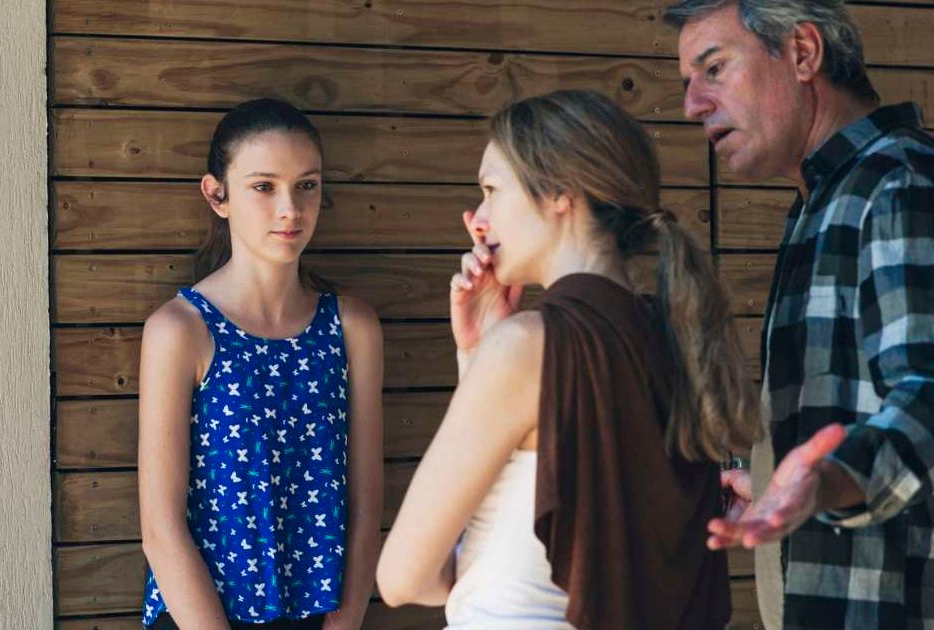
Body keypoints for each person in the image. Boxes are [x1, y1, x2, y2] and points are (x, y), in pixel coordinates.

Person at [375, 89, 762, 630]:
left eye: (490, 190)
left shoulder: (528, 348)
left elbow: (401, 579)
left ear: (560, 192)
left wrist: (490, 355)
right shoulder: (679, 340)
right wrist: (476, 356)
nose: (479, 219)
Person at [667, 1, 934, 628]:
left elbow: (928, 396)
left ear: (803, 54)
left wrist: (824, 482)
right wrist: (769, 479)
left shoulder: (899, 185)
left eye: (714, 68)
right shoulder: (826, 197)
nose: (692, 105)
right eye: (687, 83)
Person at [137, 98, 383, 630]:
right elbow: (160, 528)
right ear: (217, 195)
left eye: (307, 185)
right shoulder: (180, 331)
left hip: (321, 616)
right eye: (264, 186)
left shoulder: (352, 327)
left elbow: (365, 508)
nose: (290, 208)